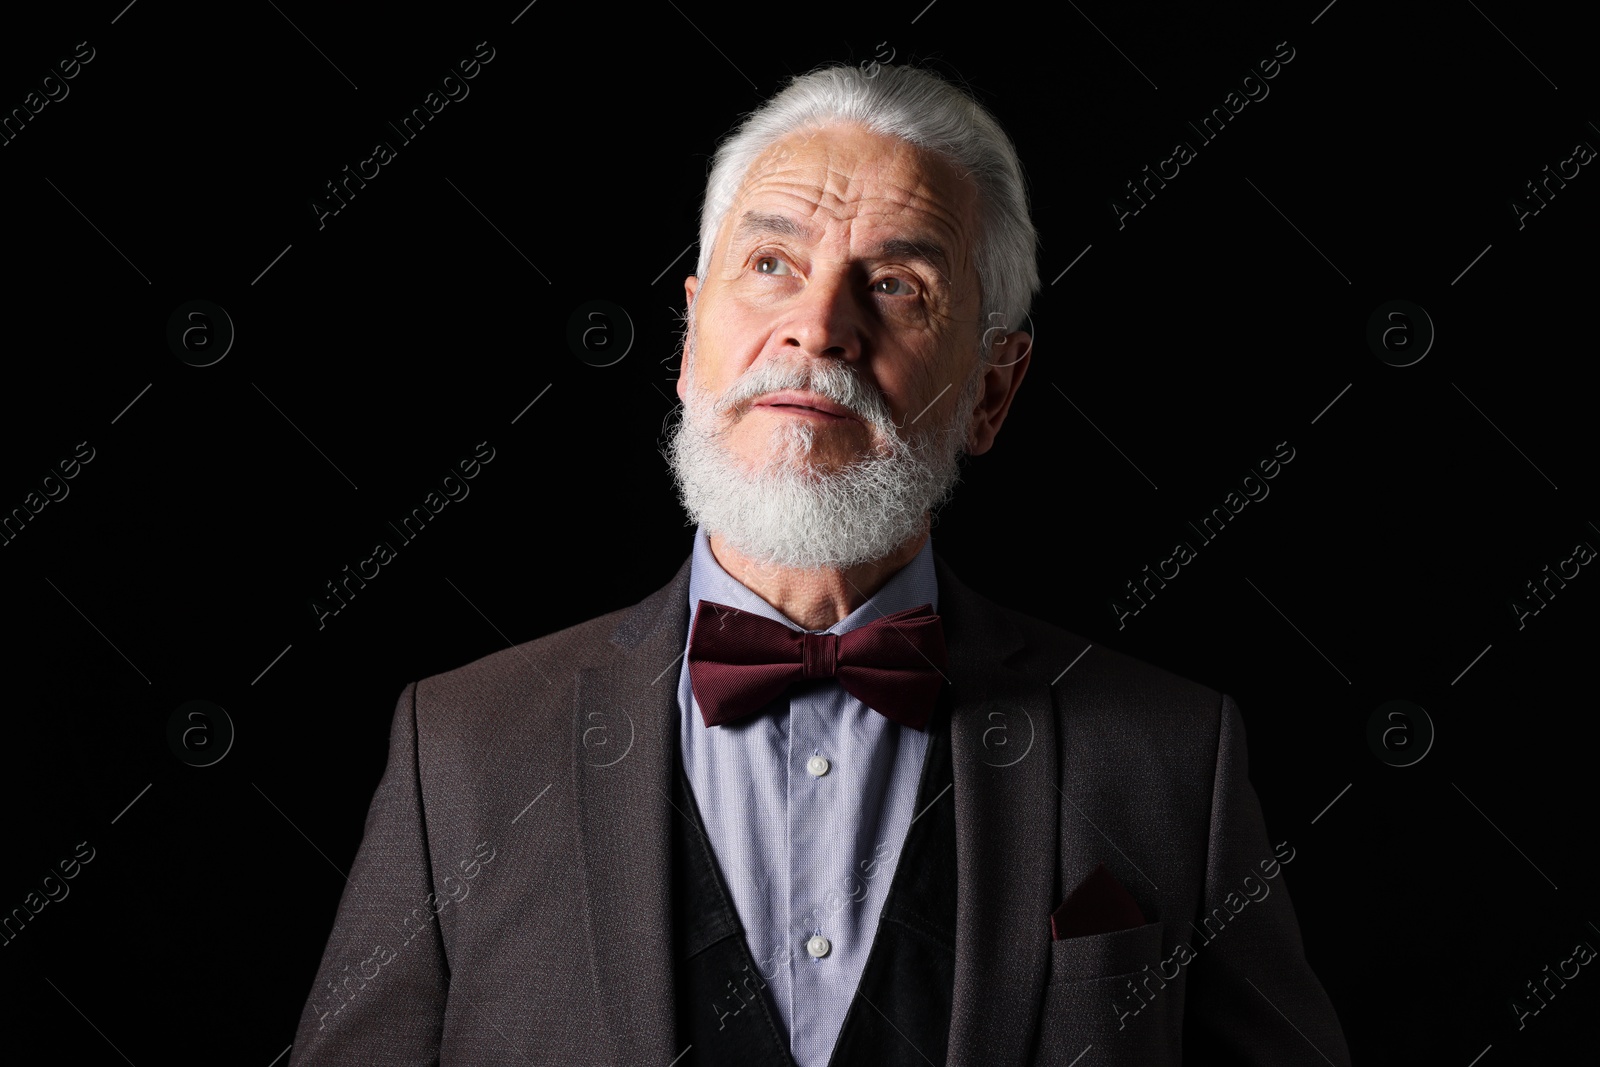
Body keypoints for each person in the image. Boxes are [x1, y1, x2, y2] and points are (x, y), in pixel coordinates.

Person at [288, 61, 1351, 1067]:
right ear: (693, 331)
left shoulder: (1170, 757)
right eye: (771, 264)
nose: (816, 327)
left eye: (893, 284)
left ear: (991, 387)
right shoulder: (461, 749)